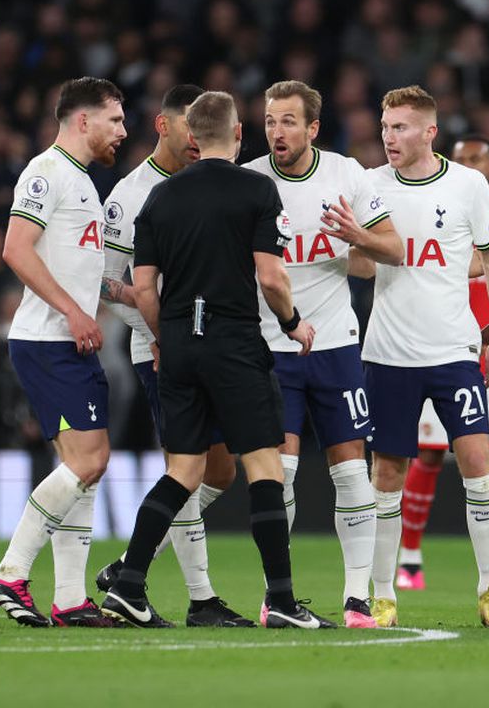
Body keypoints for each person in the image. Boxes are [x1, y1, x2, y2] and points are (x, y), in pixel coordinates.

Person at [101, 90, 332, 629]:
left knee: (182, 472)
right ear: (238, 135)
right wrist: (294, 323)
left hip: (178, 345)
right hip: (233, 341)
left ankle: (129, 586)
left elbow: (143, 288)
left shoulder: (159, 197)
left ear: (191, 138)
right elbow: (271, 276)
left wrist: (167, 337)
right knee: (264, 467)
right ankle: (280, 600)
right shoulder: (256, 188)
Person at [244, 80, 403, 628]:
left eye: (288, 121)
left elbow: (394, 247)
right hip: (271, 348)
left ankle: (357, 598)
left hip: (335, 346)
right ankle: (277, 595)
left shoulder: (346, 175)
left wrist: (356, 235)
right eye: (269, 121)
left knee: (353, 476)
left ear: (313, 128)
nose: (276, 132)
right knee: (280, 475)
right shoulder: (250, 181)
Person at [93, 83, 253, 627]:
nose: (197, 139)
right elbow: (105, 282)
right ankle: (201, 599)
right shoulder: (130, 195)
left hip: (214, 344)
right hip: (159, 350)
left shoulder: (218, 179)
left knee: (220, 471)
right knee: (185, 469)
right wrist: (154, 323)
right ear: (164, 127)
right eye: (188, 128)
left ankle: (129, 565)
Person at [359, 86, 489, 629]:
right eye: (385, 127)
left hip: (453, 349)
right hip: (388, 352)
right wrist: (354, 245)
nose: (389, 137)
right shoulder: (370, 185)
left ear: (430, 132)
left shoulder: (469, 184)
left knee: (479, 464)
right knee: (388, 473)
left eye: (401, 127)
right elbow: (360, 267)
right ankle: (383, 594)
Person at [0, 77, 127, 628]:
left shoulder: (83, 182)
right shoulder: (45, 173)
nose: (123, 130)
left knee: (82, 468)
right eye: (114, 120)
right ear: (82, 120)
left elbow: (80, 267)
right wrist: (71, 309)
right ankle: (10, 572)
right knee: (91, 461)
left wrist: (122, 295)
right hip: (49, 340)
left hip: (70, 338)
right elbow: (14, 249)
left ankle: (69, 599)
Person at [397, 135, 489, 594]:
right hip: (439, 350)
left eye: (478, 157)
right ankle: (410, 560)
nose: (469, 164)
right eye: (461, 159)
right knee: (426, 455)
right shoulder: (428, 206)